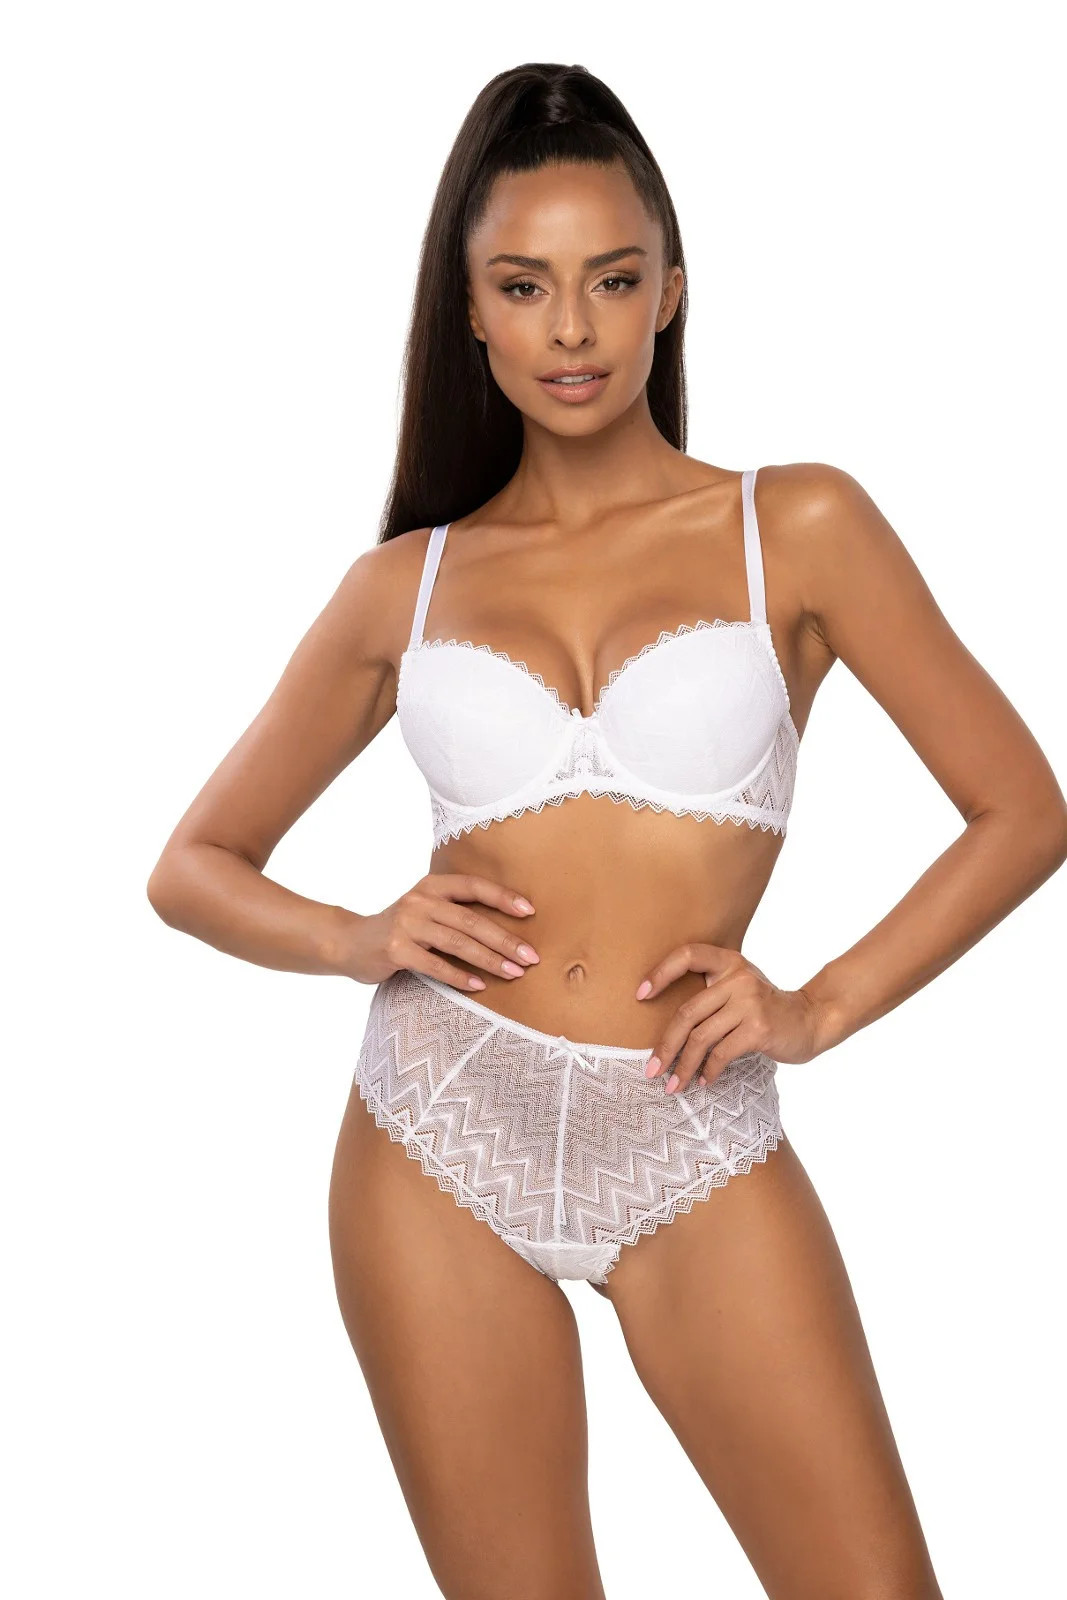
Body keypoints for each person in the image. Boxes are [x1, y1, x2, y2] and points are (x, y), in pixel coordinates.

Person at [146, 60, 1067, 1600]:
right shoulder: (405, 587)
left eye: (612, 280)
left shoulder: (797, 526)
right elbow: (192, 867)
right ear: (472, 314)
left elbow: (1023, 810)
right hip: (435, 1128)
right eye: (525, 286)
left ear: (670, 295)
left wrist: (819, 1007)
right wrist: (359, 937)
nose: (571, 329)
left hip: (689, 1122)